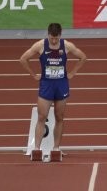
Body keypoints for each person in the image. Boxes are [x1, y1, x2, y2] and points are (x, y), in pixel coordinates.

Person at [19, 23, 87, 155]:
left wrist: (73, 73)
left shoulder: (66, 45)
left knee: (60, 117)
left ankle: (56, 148)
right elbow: (23, 59)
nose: (54, 41)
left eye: (56, 38)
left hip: (61, 84)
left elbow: (83, 57)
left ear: (60, 35)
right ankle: (36, 149)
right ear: (48, 34)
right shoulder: (40, 45)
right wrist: (33, 75)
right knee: (42, 116)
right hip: (46, 84)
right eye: (52, 38)